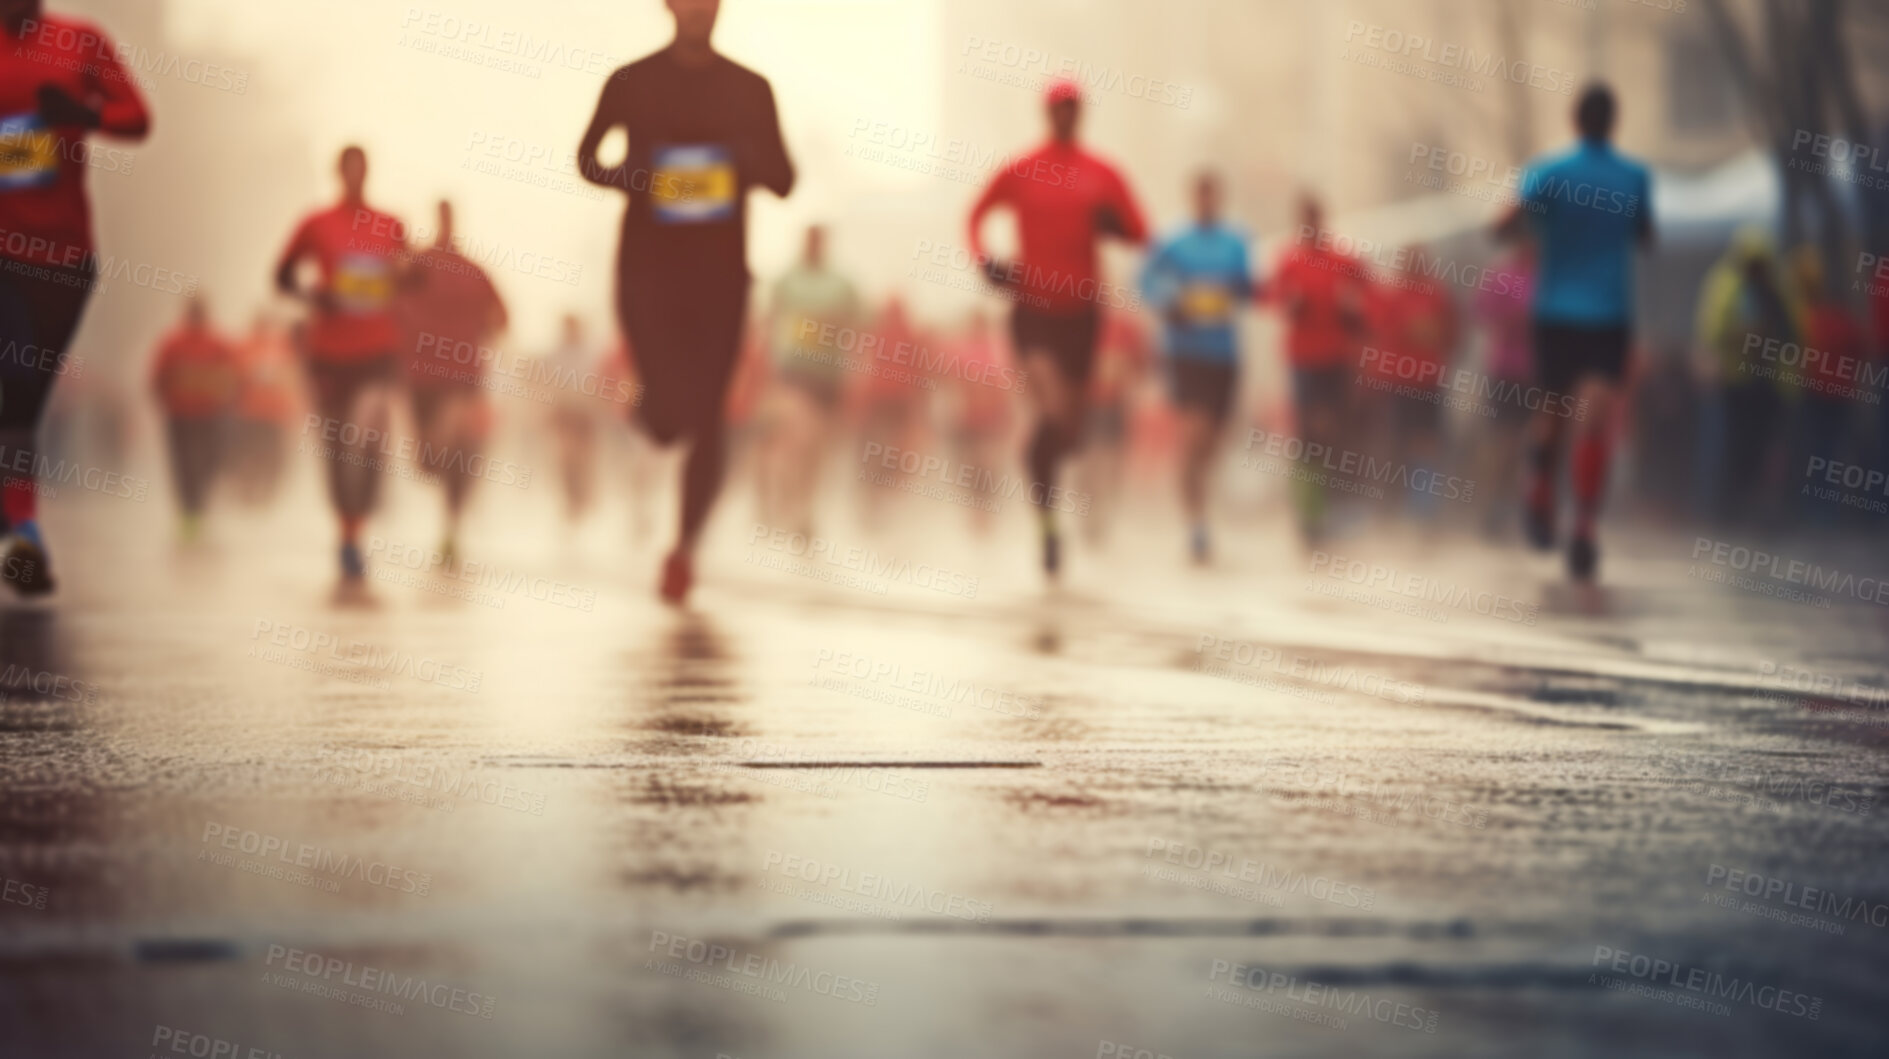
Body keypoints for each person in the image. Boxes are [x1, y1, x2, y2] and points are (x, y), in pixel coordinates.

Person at [578, 0, 794, 605]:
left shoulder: (751, 90)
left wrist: (743, 165)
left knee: (709, 417)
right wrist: (640, 177)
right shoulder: (630, 82)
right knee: (670, 418)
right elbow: (587, 159)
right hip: (647, 272)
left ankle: (684, 549)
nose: (700, 9)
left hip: (721, 278)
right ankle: (650, 412)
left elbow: (784, 177)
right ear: (669, 7)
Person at [968, 77, 1148, 578]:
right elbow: (975, 214)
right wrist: (987, 262)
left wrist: (1116, 224)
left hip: (1082, 315)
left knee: (1069, 431)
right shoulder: (1022, 170)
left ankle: (1043, 457)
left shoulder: (1102, 174)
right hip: (1033, 312)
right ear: (1047, 113)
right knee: (1049, 406)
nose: (1066, 115)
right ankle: (1047, 525)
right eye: (1058, 108)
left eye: (1073, 108)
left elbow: (1141, 230)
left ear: (1082, 114)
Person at [0, 0, 151, 596]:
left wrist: (83, 114)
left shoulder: (80, 40)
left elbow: (137, 118)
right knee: (13, 381)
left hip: (64, 258)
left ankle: (18, 528)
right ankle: (26, 536)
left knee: (25, 401)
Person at [1496, 83, 1654, 580]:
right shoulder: (1635, 177)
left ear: (1574, 119)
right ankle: (1584, 527)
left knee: (1550, 412)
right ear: (1614, 122)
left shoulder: (1547, 173)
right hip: (1608, 314)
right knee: (1595, 418)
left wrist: (1538, 224)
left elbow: (1505, 227)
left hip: (1555, 312)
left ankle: (1539, 489)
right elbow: (1646, 236)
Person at [275, 145, 408, 586]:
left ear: (367, 173)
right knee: (334, 446)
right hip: (328, 352)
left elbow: (407, 275)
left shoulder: (390, 225)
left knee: (368, 435)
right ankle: (347, 534)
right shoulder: (316, 224)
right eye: (346, 169)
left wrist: (407, 279)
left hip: (376, 350)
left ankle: (361, 521)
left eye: (361, 169)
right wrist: (313, 296)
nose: (354, 176)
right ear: (338, 173)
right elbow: (281, 275)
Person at [1139, 170, 1254, 562]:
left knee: (1212, 443)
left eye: (1212, 195)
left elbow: (1246, 287)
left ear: (1219, 198)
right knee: (1194, 434)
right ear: (1192, 197)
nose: (1207, 201)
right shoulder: (1172, 241)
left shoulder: (1236, 242)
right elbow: (1144, 280)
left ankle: (1196, 496)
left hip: (1224, 355)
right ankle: (1197, 525)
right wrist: (1170, 303)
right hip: (1185, 353)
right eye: (1200, 195)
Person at [398, 200, 508, 563]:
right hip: (421, 378)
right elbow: (388, 300)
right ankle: (450, 512)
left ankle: (452, 526)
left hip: (464, 379)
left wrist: (484, 332)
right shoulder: (418, 267)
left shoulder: (475, 272)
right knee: (428, 463)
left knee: (463, 457)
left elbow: (502, 318)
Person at [1269, 194, 1370, 543]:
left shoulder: (1344, 259)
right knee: (1309, 434)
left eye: (1315, 216)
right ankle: (1308, 510)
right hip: (1302, 359)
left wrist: (1353, 310)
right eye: (1305, 217)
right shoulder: (1289, 260)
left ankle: (1332, 504)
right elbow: (1276, 300)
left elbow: (1368, 299)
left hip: (1338, 359)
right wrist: (1293, 303)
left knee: (1335, 431)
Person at [759, 224, 859, 534]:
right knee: (797, 441)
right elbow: (768, 323)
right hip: (793, 373)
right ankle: (787, 506)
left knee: (817, 450)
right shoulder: (786, 281)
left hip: (828, 377)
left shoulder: (842, 285)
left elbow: (856, 329)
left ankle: (805, 510)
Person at [1693, 227, 1797, 526]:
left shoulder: (1777, 289)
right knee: (1731, 448)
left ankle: (1753, 509)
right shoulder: (1726, 286)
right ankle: (1726, 510)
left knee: (1761, 449)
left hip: (1768, 385)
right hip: (1734, 382)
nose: (1757, 271)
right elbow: (1713, 331)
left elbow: (1792, 333)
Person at [1370, 245, 1459, 522]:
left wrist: (1431, 336)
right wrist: (1413, 330)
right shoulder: (1393, 295)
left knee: (1427, 443)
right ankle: (1390, 507)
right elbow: (1384, 331)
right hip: (1398, 382)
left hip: (1429, 382)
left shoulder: (1438, 294)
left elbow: (1452, 333)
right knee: (1396, 442)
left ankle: (1422, 508)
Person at [1784, 246, 1866, 525]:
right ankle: (1824, 510)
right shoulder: (1839, 319)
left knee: (1817, 452)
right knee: (1829, 453)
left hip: (1816, 395)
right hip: (1835, 396)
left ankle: (1816, 510)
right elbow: (1860, 349)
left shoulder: (1806, 319)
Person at [148, 298, 240, 540]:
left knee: (211, 461)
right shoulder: (173, 343)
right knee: (183, 464)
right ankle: (189, 513)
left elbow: (236, 376)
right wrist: (163, 401)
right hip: (180, 415)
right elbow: (158, 376)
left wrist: (230, 401)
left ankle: (201, 504)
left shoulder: (219, 344)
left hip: (211, 415)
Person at [1469, 245, 1537, 538]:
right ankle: (1492, 506)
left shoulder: (1548, 274)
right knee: (1502, 442)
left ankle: (1519, 507)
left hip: (1537, 372)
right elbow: (1480, 311)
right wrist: (1508, 321)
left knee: (1530, 444)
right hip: (1505, 370)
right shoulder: (1502, 274)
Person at [228, 312, 300, 506]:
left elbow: (292, 381)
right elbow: (232, 379)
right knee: (250, 456)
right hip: (250, 415)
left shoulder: (281, 349)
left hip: (271, 416)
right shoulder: (244, 348)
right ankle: (249, 491)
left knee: (273, 459)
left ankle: (265, 493)